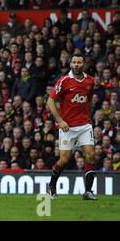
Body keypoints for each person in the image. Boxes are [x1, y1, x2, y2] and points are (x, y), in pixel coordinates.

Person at [46, 53, 97, 200]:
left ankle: (88, 191)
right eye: (74, 62)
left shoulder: (90, 81)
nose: (76, 65)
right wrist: (60, 121)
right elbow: (50, 101)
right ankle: (51, 187)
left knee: (91, 156)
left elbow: (89, 100)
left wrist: (89, 117)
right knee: (64, 160)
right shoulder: (64, 81)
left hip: (84, 125)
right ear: (70, 64)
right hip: (67, 127)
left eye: (79, 62)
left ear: (84, 64)